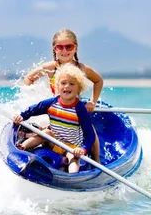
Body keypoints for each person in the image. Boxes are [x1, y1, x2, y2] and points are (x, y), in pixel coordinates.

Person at [23, 29, 103, 162]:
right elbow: (29, 79)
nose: (64, 50)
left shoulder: (82, 69)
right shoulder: (50, 67)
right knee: (46, 130)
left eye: (69, 46)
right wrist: (32, 97)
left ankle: (96, 163)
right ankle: (30, 139)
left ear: (75, 48)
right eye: (60, 47)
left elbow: (98, 80)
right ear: (55, 49)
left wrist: (93, 102)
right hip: (56, 110)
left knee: (92, 133)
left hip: (74, 111)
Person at [14, 64, 95, 174]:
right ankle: (23, 146)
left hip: (71, 147)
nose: (67, 86)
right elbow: (35, 109)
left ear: (79, 88)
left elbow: (90, 134)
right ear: (57, 86)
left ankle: (72, 177)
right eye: (63, 83)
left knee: (73, 157)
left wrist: (83, 149)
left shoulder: (79, 109)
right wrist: (22, 116)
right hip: (54, 141)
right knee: (46, 132)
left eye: (72, 84)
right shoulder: (52, 103)